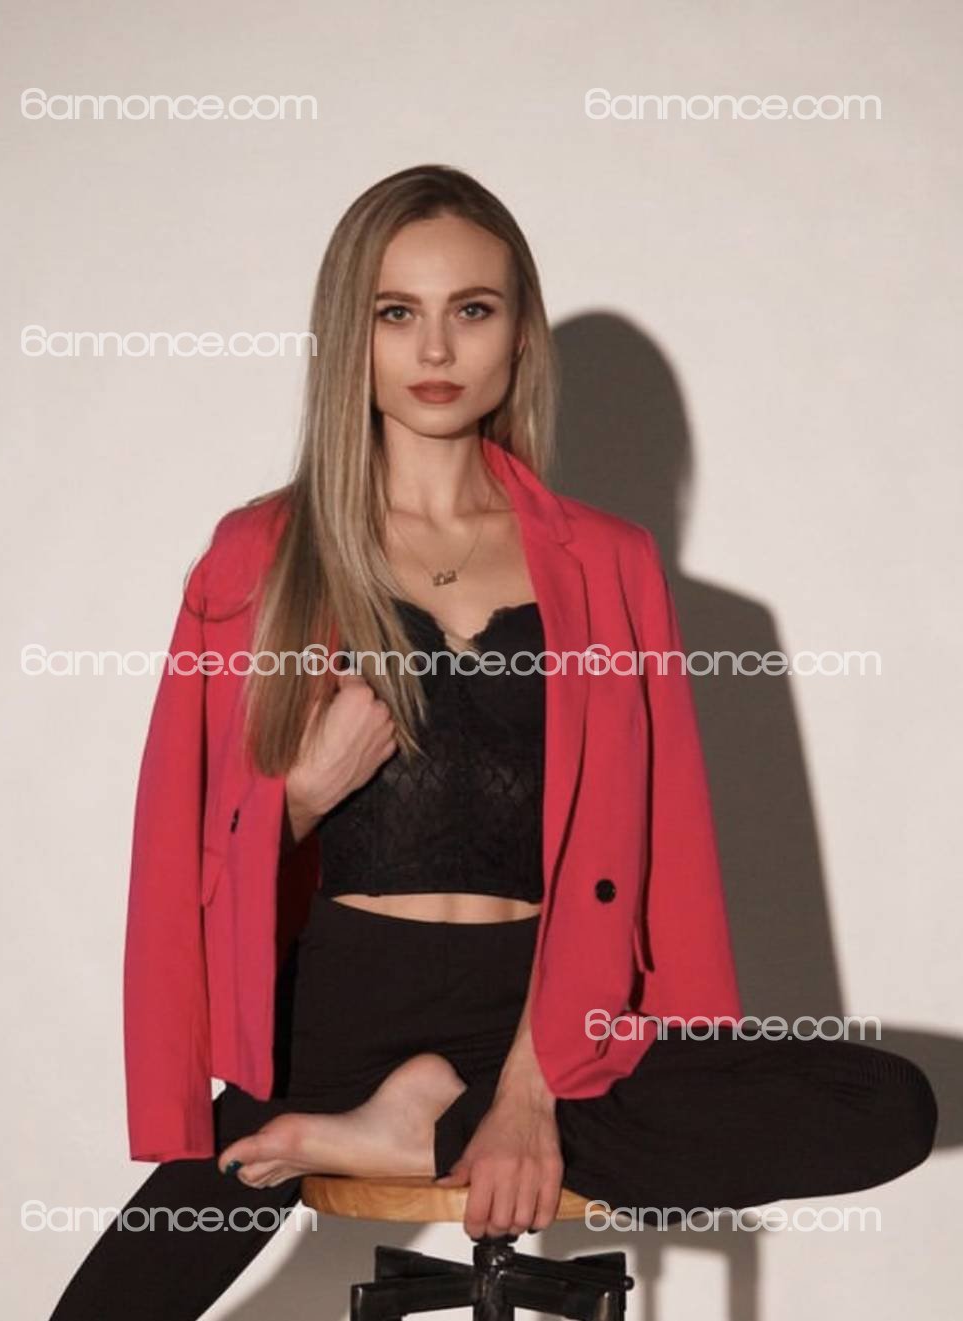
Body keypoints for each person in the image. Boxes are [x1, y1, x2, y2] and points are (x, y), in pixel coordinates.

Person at [48, 164, 937, 1320]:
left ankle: (424, 1124)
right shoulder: (260, 553)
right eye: (395, 311)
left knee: (888, 1105)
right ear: (351, 335)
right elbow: (181, 853)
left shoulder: (607, 562)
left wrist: (525, 1093)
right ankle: (390, 1110)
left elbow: (644, 848)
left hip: (547, 1012)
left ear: (519, 335)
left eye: (471, 309)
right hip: (337, 1013)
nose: (435, 347)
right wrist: (300, 795)